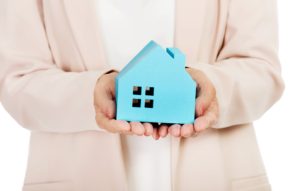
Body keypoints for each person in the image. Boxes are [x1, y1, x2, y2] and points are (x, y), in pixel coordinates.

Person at [0, 0, 284, 190]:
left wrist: (213, 87)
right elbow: (18, 80)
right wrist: (90, 92)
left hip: (214, 175)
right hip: (78, 176)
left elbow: (262, 69)